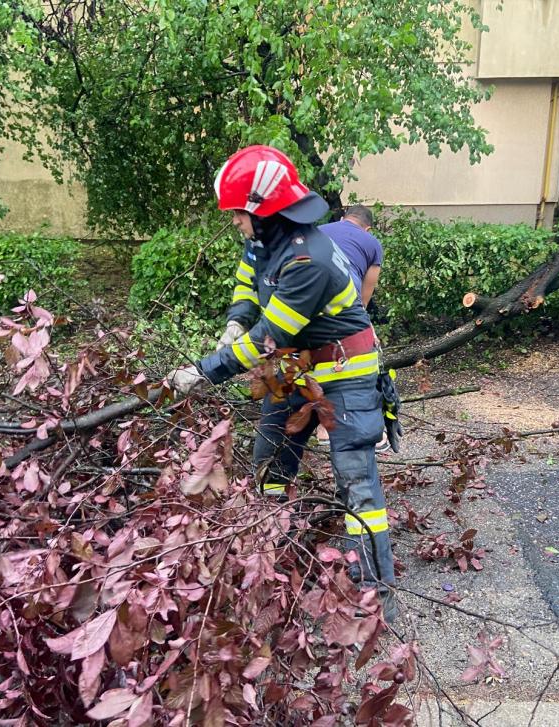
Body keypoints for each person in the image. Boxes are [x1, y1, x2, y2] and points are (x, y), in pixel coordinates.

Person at [167, 146, 397, 622]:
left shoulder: (307, 261)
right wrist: (235, 319)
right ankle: (277, 547)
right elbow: (248, 282)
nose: (234, 223)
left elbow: (265, 340)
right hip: (295, 369)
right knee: (270, 461)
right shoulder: (267, 240)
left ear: (264, 212)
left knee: (356, 479)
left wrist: (202, 372)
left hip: (344, 373)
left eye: (238, 215)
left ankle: (376, 588)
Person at [315, 205, 387, 449]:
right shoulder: (371, 242)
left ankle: (322, 425)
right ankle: (370, 428)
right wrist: (362, 322)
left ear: (344, 218)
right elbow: (366, 293)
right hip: (345, 301)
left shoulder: (318, 230)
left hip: (307, 297)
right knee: (359, 356)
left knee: (318, 355)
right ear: (367, 227)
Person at [319, 205, 383, 309]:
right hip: (346, 299)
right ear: (368, 229)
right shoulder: (374, 244)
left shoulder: (317, 231)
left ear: (341, 219)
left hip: (309, 290)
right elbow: (364, 301)